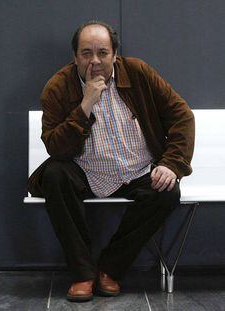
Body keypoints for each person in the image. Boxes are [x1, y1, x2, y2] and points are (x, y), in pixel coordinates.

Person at [27, 20, 195, 302]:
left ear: (115, 54)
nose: (95, 61)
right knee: (55, 175)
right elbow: (55, 147)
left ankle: (109, 269)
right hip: (85, 169)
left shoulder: (139, 73)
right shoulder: (58, 87)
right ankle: (82, 274)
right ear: (75, 57)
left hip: (137, 169)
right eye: (86, 53)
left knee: (167, 191)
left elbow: (182, 116)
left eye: (103, 53)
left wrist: (171, 163)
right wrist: (85, 105)